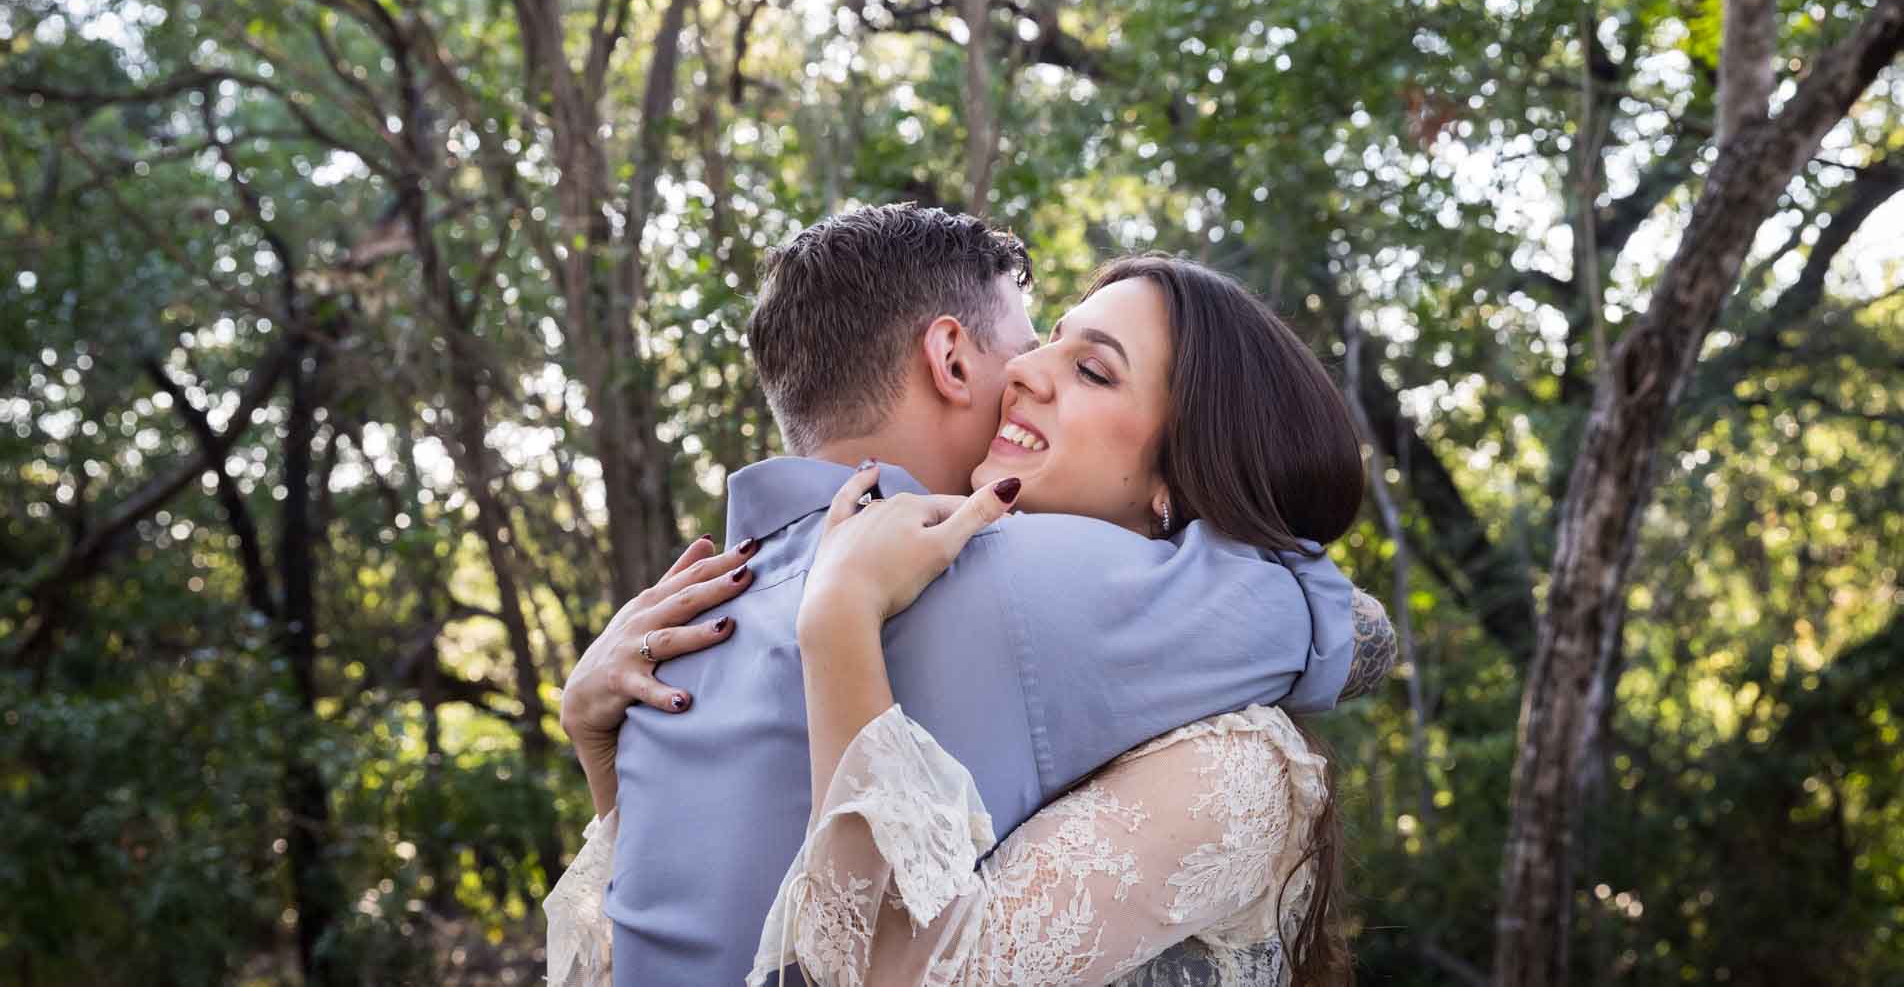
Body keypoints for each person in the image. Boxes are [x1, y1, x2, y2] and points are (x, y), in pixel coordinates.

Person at [544, 207, 1390, 985]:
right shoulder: (997, 576)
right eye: (1035, 340)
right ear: (950, 357)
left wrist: (599, 747)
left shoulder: (681, 629)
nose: (1025, 370)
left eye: (1091, 368)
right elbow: (1327, 619)